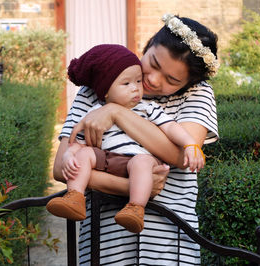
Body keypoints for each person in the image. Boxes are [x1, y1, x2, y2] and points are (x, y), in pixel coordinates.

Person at [53, 14, 219, 265]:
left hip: (168, 240)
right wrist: (132, 187)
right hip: (106, 237)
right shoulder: (99, 83)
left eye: (172, 80)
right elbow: (60, 168)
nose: (153, 79)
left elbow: (180, 156)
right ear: (149, 43)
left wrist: (116, 112)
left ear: (188, 82)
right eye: (153, 62)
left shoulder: (198, 93)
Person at [46, 44, 205, 234]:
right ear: (105, 90)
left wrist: (190, 144)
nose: (136, 89)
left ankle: (135, 207)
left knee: (142, 163)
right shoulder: (93, 112)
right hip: (104, 159)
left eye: (138, 81)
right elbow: (76, 143)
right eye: (126, 84)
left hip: (136, 159)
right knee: (84, 154)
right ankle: (74, 197)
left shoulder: (147, 108)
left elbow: (171, 127)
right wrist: (69, 156)